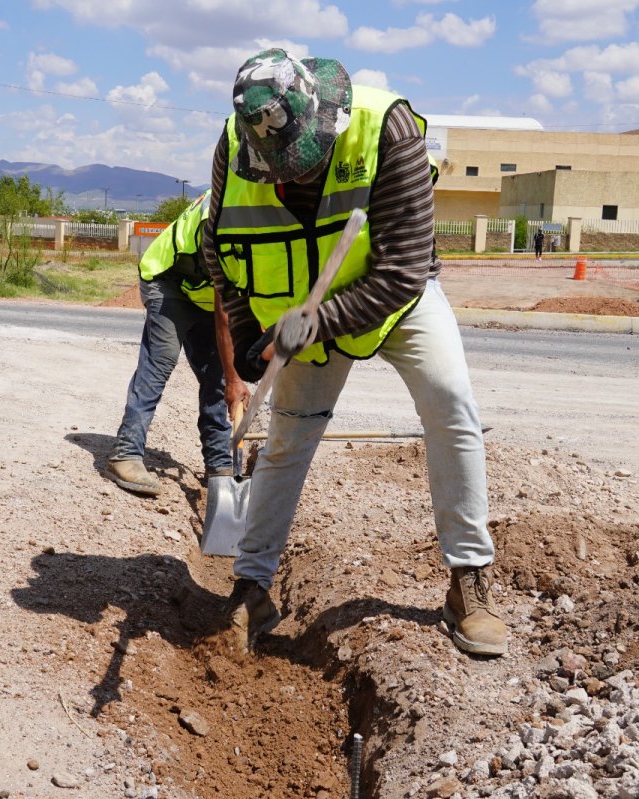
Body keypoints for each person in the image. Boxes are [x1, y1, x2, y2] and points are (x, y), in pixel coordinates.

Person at [203, 48, 507, 656]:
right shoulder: (238, 145)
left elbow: (403, 270)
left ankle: (469, 581)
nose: (294, 177)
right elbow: (218, 250)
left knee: (450, 403)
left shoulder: (386, 128)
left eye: (303, 163)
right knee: (287, 438)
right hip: (300, 311)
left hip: (397, 301)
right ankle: (252, 587)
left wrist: (317, 324)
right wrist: (248, 328)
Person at [105, 190, 249, 496]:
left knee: (218, 379)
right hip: (168, 281)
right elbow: (226, 314)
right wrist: (236, 377)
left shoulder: (264, 215)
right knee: (160, 362)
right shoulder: (225, 218)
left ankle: (220, 465)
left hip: (203, 290)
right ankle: (126, 454)